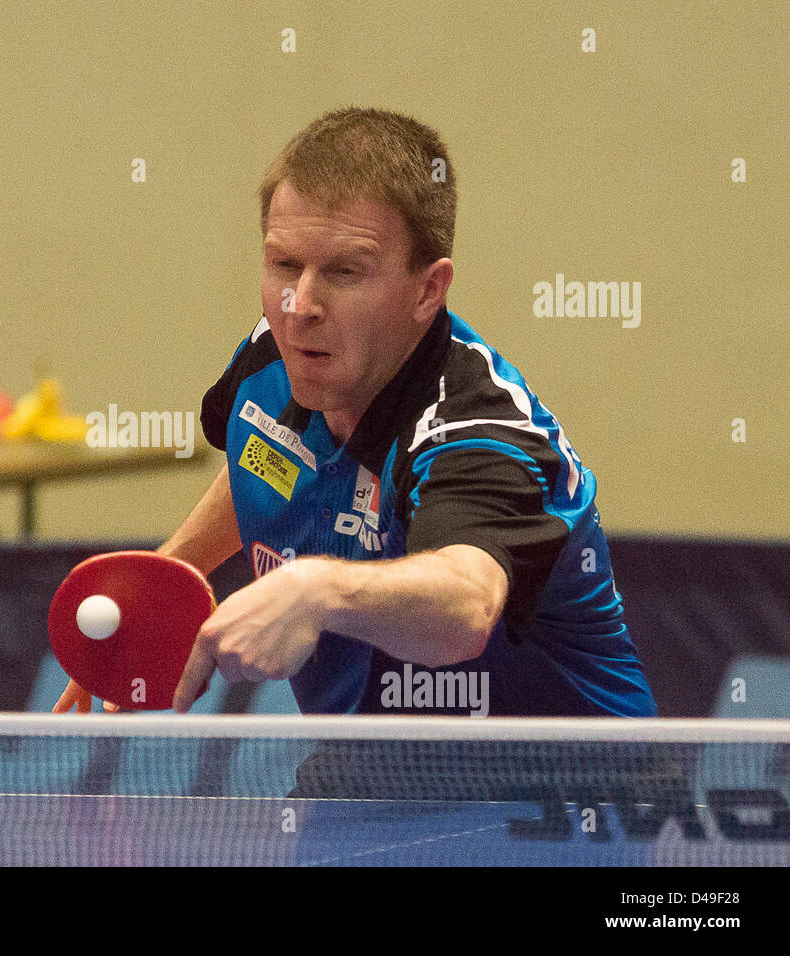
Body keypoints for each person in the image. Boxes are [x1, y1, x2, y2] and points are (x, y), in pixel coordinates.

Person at [55, 106, 655, 721]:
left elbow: (467, 605)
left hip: (561, 793)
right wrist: (171, 574)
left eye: (345, 271)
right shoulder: (274, 358)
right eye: (285, 264)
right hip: (363, 776)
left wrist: (316, 590)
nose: (301, 305)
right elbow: (267, 463)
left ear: (429, 289)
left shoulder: (477, 432)